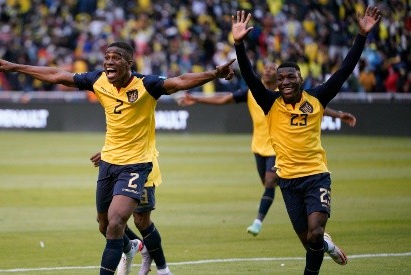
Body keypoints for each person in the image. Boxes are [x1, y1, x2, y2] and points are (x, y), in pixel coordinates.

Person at [0, 41, 235, 275]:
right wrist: (14, 67)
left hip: (138, 164)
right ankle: (132, 247)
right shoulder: (98, 80)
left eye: (115, 58)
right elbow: (57, 75)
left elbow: (180, 81)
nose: (108, 62)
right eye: (106, 57)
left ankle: (160, 266)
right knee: (104, 225)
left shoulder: (146, 85)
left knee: (119, 222)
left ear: (129, 63)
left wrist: (214, 73)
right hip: (108, 162)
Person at [231, 6, 380, 274]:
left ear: (301, 78)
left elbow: (344, 70)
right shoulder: (270, 102)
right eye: (281, 79)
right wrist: (238, 44)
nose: (285, 81)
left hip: (316, 176)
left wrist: (361, 35)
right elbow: (251, 77)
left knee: (315, 233)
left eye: (291, 76)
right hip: (287, 181)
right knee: (309, 242)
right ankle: (327, 245)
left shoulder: (317, 97)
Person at [178, 62, 357, 237]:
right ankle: (307, 212)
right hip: (258, 147)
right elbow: (224, 99)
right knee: (268, 185)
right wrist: (196, 98)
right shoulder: (254, 94)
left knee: (271, 181)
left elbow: (313, 107)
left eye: (272, 69)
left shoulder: (285, 95)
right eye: (266, 69)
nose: (268, 71)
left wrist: (339, 114)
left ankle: (259, 221)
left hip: (278, 148)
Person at [90, 149, 168, 275]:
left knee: (140, 220)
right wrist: (110, 152)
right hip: (116, 164)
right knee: (105, 221)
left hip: (141, 165)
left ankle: (163, 270)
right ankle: (134, 246)